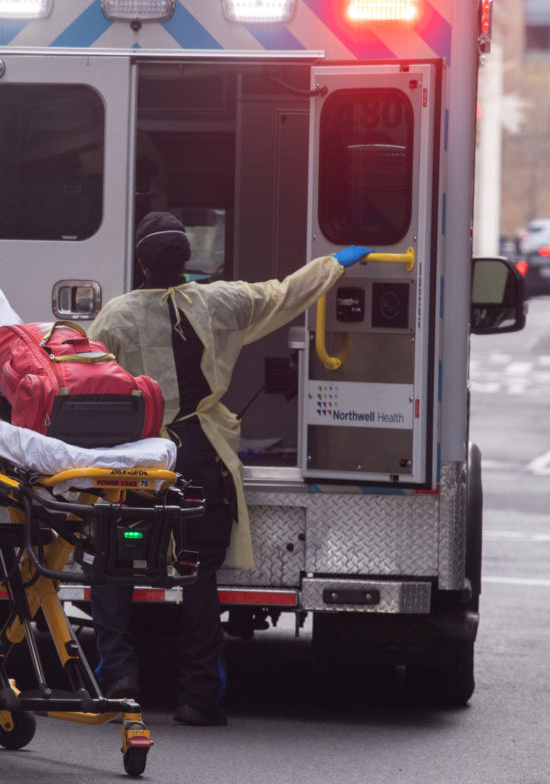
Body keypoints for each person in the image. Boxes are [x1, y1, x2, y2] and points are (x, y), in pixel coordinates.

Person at [87, 212, 372, 727]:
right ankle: (198, 696)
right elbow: (285, 294)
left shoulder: (116, 315)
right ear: (187, 259)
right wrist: (334, 262)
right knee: (197, 573)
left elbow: (89, 380)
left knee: (117, 564)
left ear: (140, 261)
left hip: (139, 459)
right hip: (201, 452)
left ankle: (118, 680)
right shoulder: (223, 301)